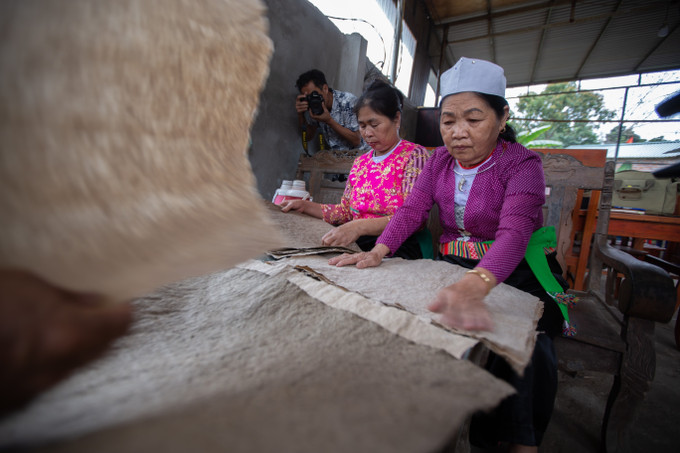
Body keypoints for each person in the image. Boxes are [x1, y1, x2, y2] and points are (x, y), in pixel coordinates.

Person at [328, 57, 571, 453]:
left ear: (502, 117)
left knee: (528, 342)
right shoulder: (439, 160)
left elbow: (514, 234)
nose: (458, 132)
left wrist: (478, 283)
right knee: (405, 317)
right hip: (453, 264)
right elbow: (412, 210)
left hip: (517, 269)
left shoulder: (522, 163)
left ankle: (518, 443)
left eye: (473, 119)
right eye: (448, 120)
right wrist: (380, 251)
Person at [282, 79, 431, 259]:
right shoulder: (361, 163)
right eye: (362, 126)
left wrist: (358, 227)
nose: (367, 133)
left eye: (374, 125)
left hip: (398, 244)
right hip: (359, 239)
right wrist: (305, 206)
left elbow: (411, 217)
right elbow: (345, 212)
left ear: (396, 119)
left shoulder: (415, 156)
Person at [295, 69, 370, 152]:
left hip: (361, 154)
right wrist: (300, 114)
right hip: (337, 156)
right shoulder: (313, 106)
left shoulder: (348, 101)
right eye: (308, 97)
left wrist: (329, 121)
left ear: (325, 88)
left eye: (314, 95)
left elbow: (357, 140)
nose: (312, 99)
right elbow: (308, 137)